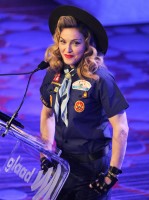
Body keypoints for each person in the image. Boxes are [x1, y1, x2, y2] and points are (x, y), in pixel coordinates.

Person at [40, 5, 129, 200]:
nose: (67, 49)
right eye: (63, 41)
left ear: (88, 46)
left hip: (91, 170)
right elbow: (47, 114)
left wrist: (111, 175)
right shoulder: (53, 73)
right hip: (61, 165)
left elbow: (121, 128)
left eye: (76, 43)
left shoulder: (101, 79)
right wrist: (45, 150)